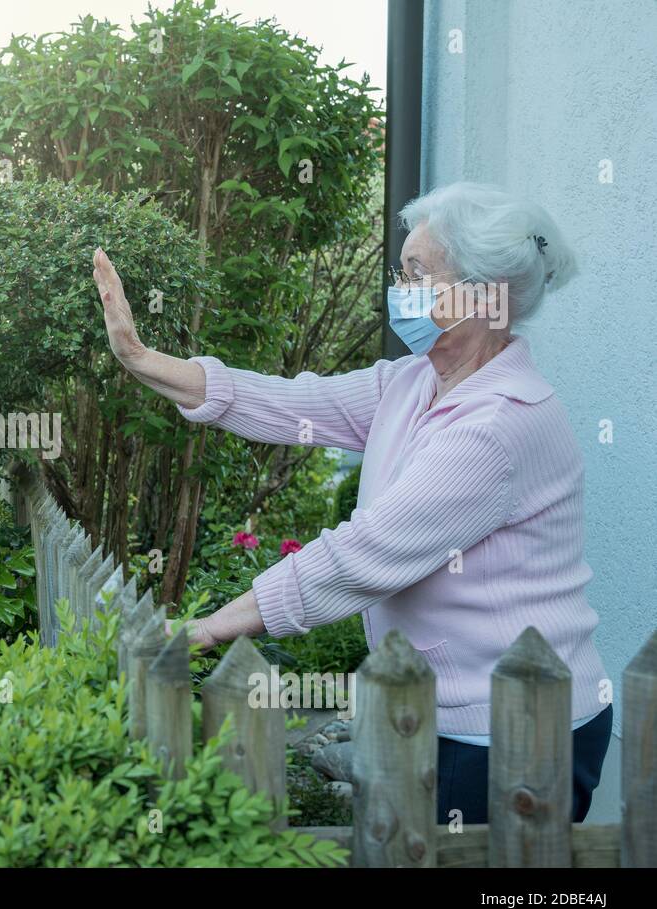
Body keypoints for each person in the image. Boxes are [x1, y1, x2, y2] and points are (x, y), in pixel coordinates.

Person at [91, 181, 612, 825]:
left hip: (507, 730)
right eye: (403, 268)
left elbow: (363, 555)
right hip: (442, 709)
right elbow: (290, 403)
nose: (399, 286)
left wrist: (207, 628)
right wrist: (143, 360)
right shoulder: (414, 384)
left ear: (483, 297)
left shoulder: (499, 424)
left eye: (418, 272)